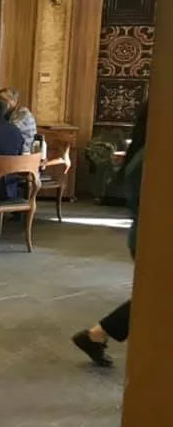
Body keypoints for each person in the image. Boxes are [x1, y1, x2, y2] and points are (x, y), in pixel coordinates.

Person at [72, 101, 147, 367]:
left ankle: (96, 335)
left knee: (155, 296)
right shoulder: (149, 157)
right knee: (156, 296)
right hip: (151, 239)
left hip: (145, 236)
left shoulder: (145, 153)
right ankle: (96, 335)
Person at [0, 87, 37, 154]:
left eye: (4, 100)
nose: (1, 103)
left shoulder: (23, 113)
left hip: (24, 154)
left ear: (14, 100)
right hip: (13, 151)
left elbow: (9, 131)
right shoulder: (6, 113)